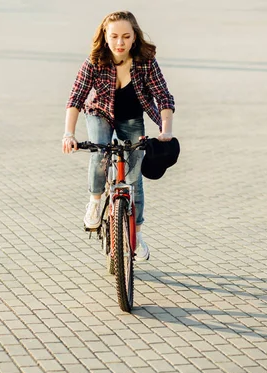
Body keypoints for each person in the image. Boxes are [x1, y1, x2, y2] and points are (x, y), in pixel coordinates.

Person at [62, 10, 175, 261]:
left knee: (134, 179)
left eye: (126, 36)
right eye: (114, 36)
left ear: (135, 37)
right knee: (101, 151)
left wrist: (166, 131)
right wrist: (68, 134)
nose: (120, 43)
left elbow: (163, 96)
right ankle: (94, 201)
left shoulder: (146, 62)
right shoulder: (95, 61)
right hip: (99, 113)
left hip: (132, 117)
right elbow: (76, 99)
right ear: (105, 37)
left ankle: (135, 235)